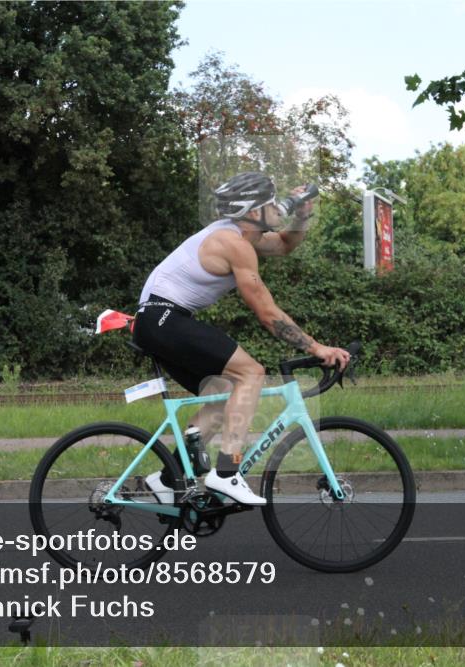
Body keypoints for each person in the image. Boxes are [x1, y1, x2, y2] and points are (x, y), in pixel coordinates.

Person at [132, 172, 350, 506]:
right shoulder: (234, 244)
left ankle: (167, 479)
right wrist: (316, 347)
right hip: (164, 317)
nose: (279, 207)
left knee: (222, 390)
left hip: (158, 320)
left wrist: (302, 215)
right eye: (271, 203)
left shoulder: (244, 235)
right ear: (252, 212)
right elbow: (267, 314)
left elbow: (284, 244)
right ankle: (226, 472)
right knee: (251, 373)